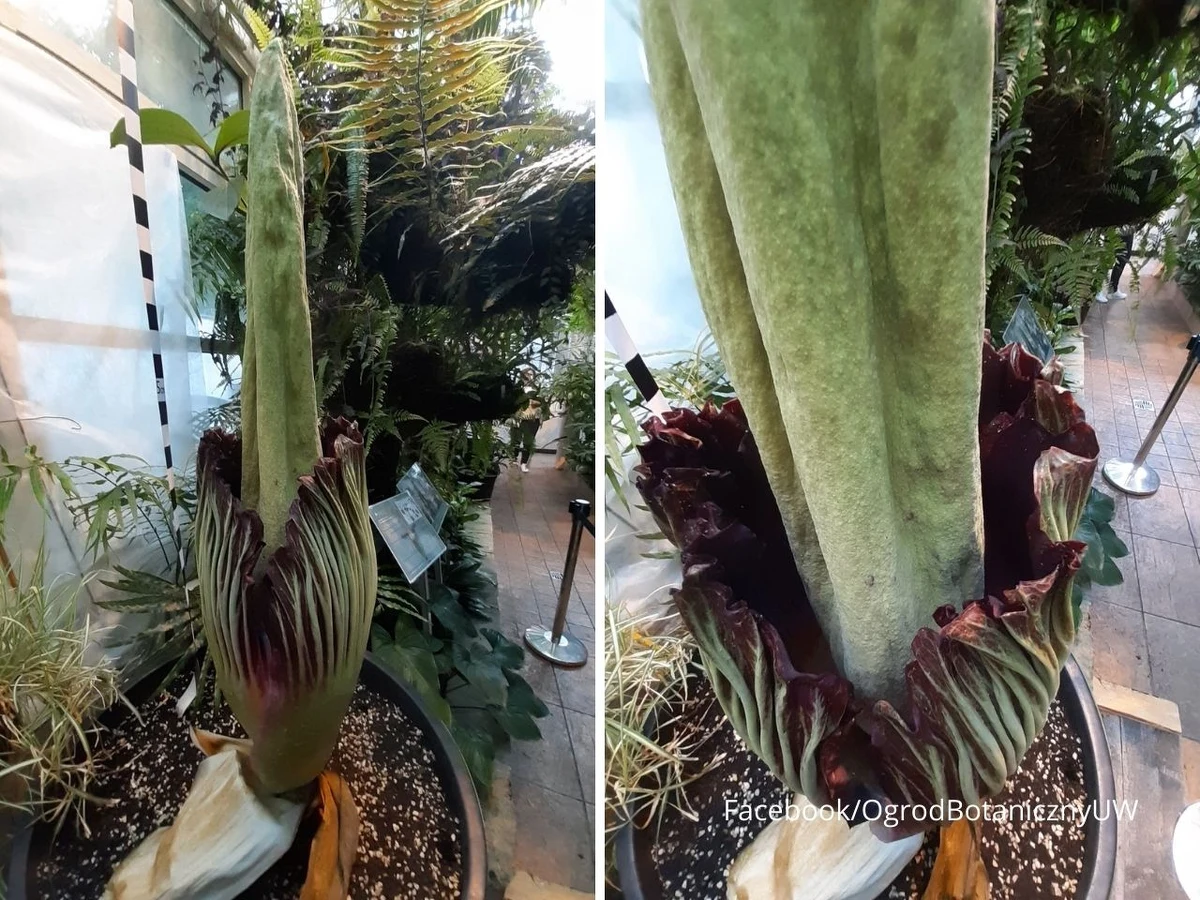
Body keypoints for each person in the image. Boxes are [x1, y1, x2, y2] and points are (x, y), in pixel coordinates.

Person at [515, 387, 545, 473]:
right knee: (517, 439)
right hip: (523, 419)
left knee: (528, 442)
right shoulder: (520, 390)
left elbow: (541, 404)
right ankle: (514, 458)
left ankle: (523, 463)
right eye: (527, 373)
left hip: (534, 420)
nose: (529, 375)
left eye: (531, 373)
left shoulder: (536, 391)